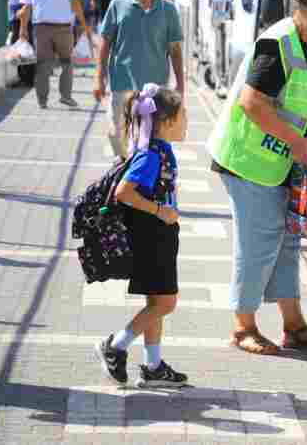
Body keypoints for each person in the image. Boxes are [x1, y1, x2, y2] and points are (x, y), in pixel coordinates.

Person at [207, 0, 307, 355]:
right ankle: (242, 327)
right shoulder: (279, 44)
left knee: (286, 242)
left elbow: (302, 106)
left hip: (276, 165)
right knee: (257, 245)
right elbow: (251, 103)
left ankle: (294, 325)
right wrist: (297, 142)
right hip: (250, 162)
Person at [95, 84, 192, 388]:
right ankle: (116, 345)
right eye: (183, 117)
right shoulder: (150, 155)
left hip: (158, 236)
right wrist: (160, 211)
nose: (187, 122)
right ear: (165, 122)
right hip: (152, 238)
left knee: (156, 302)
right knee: (166, 303)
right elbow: (124, 192)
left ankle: (153, 366)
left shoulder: (158, 150)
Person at [95, 0, 185, 161]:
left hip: (156, 91)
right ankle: (122, 173)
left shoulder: (168, 10)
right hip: (122, 86)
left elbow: (175, 50)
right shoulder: (118, 5)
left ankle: (145, 187)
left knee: (153, 145)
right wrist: (98, 76)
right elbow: (105, 42)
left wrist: (180, 85)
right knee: (116, 136)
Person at [18, 0, 90, 109]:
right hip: (64, 29)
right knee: (67, 63)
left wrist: (23, 29)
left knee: (43, 65)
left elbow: (25, 9)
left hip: (41, 28)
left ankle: (42, 100)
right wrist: (84, 24)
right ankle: (65, 96)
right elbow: (76, 5)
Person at [9, 0, 37, 87]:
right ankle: (24, 77)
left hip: (23, 19)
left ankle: (27, 78)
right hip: (20, 18)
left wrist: (23, 26)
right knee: (21, 48)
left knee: (24, 48)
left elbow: (27, 2)